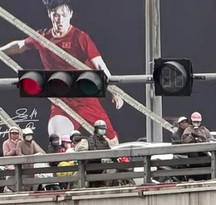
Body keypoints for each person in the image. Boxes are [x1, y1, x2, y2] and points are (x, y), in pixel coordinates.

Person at [1, 1, 124, 146]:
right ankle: (74, 158)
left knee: (112, 143)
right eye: (56, 15)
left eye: (64, 15)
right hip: (62, 101)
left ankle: (93, 155)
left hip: (86, 98)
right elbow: (19, 45)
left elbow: (99, 65)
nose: (60, 20)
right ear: (49, 14)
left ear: (70, 15)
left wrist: (114, 91)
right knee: (57, 140)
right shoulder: (42, 37)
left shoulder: (80, 37)